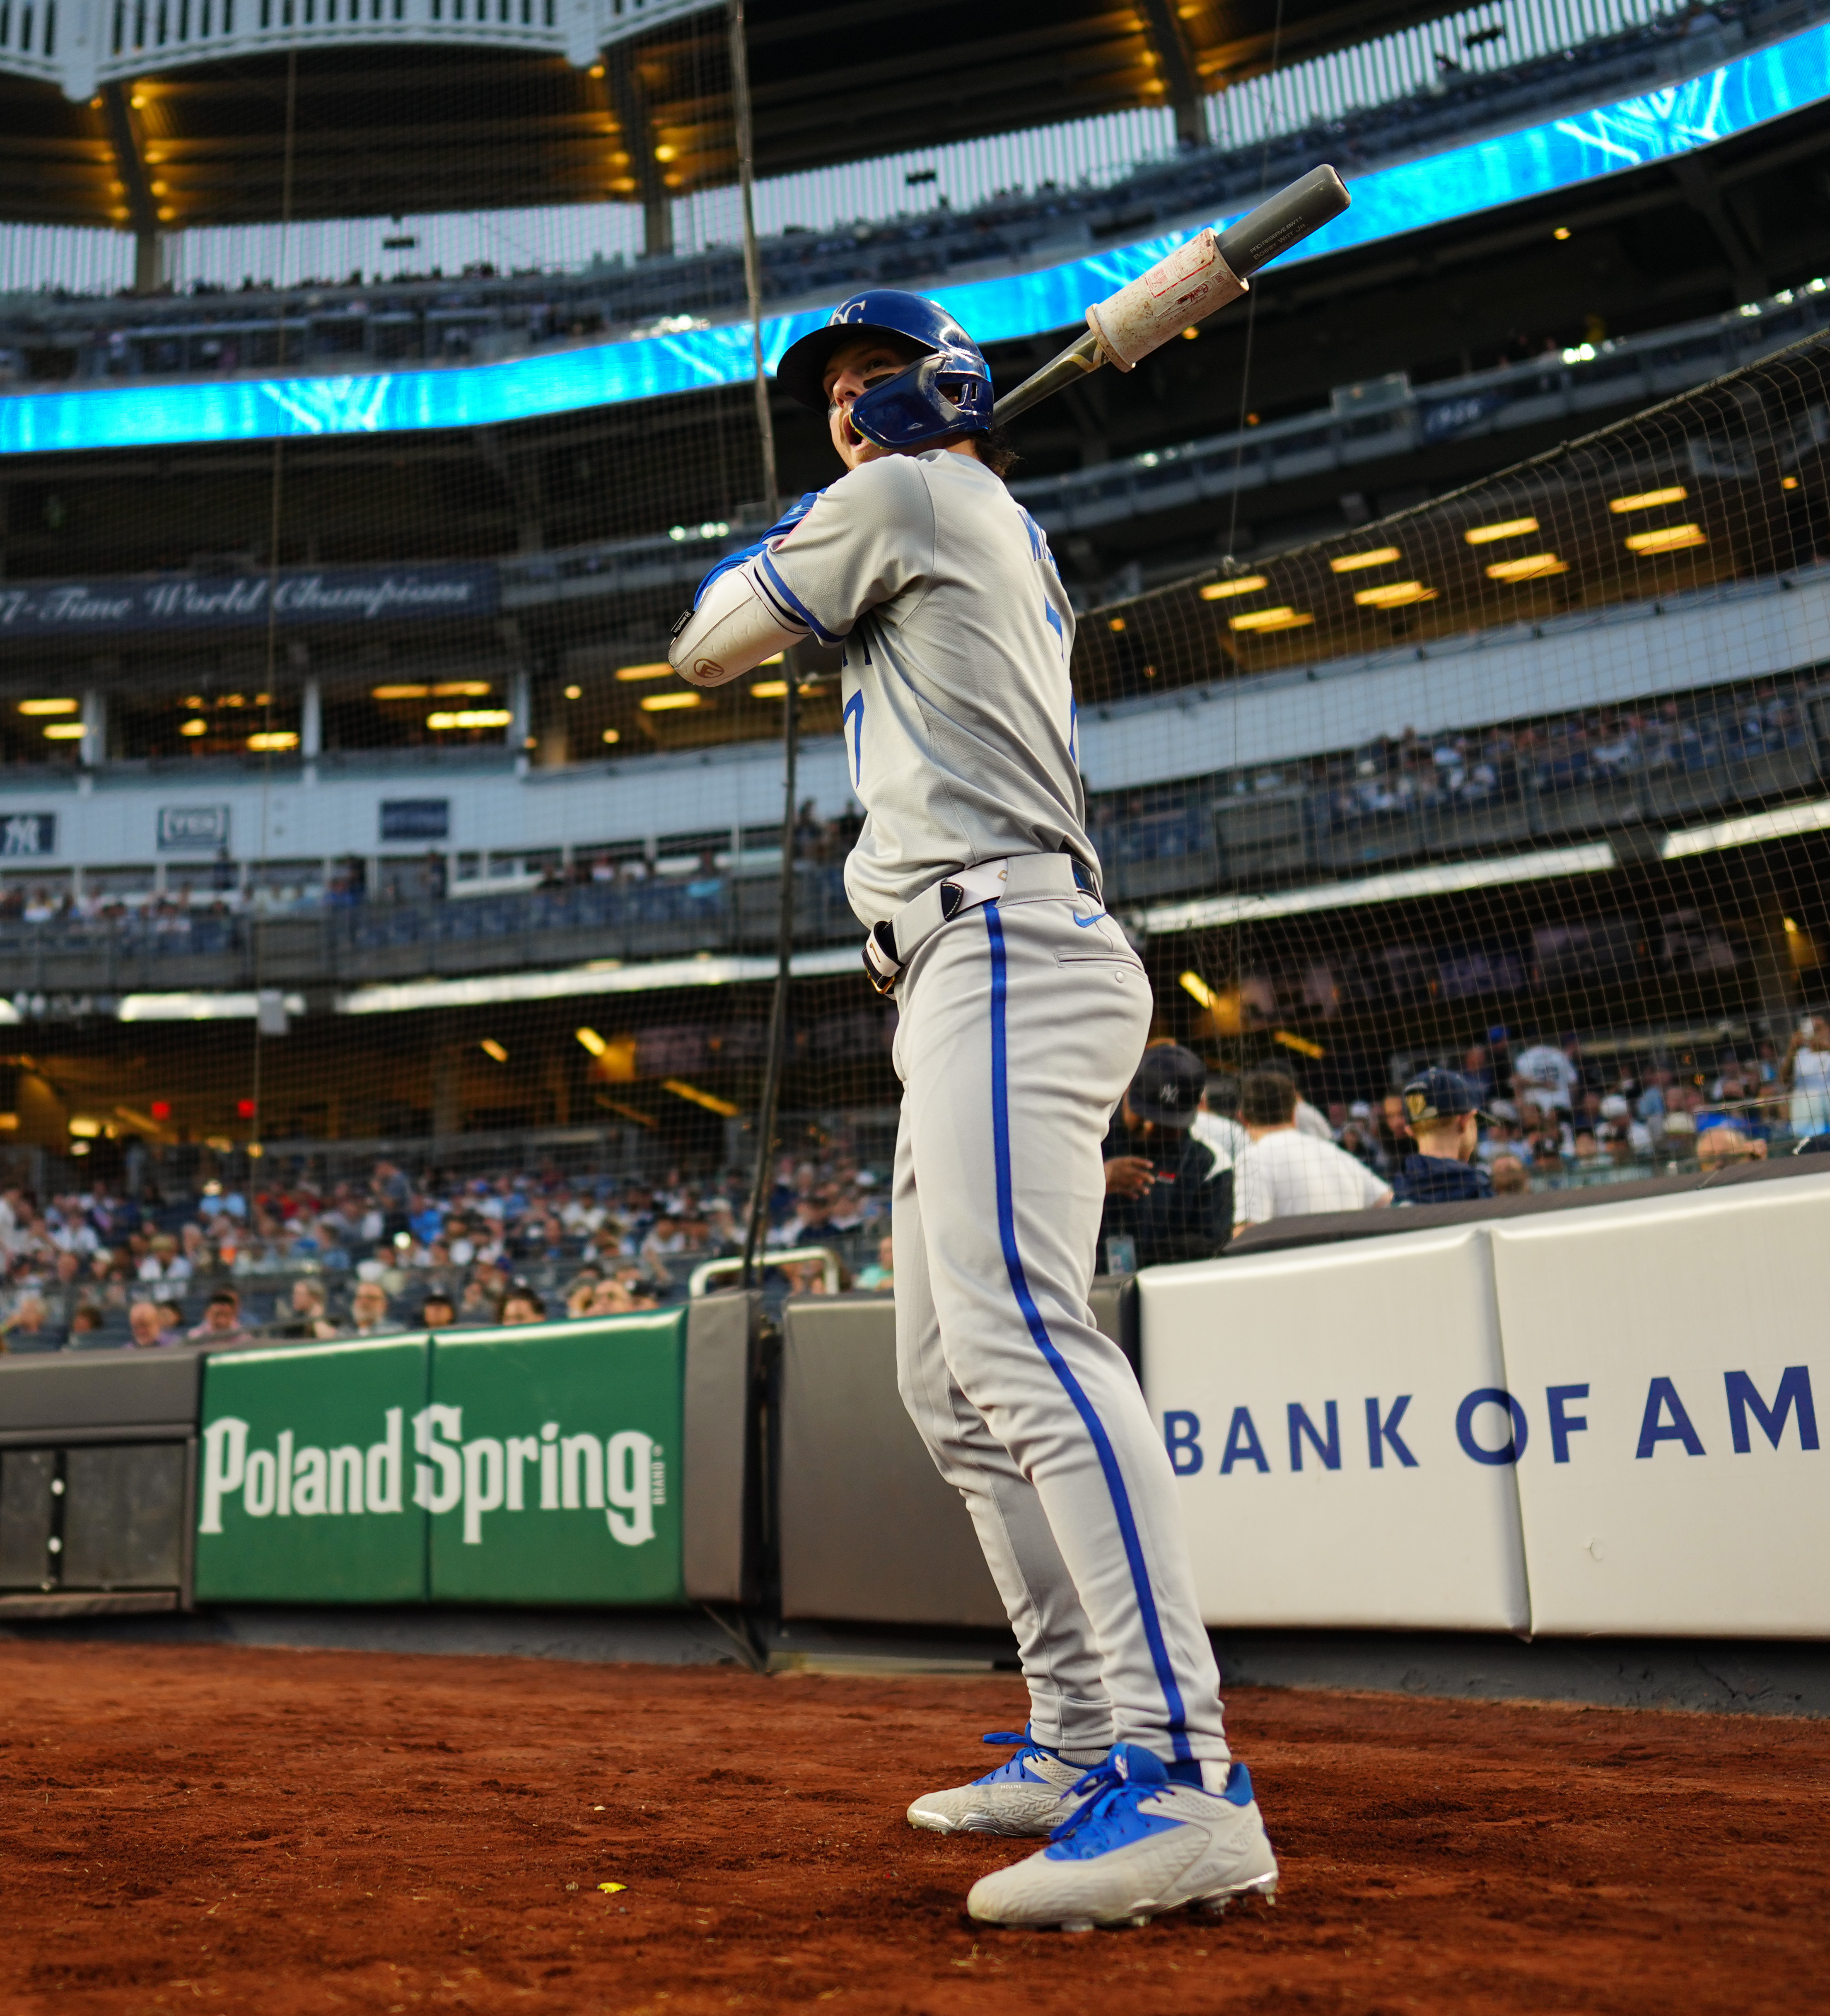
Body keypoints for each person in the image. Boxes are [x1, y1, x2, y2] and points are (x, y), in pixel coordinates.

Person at [667, 290, 1272, 1929]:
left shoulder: (922, 495)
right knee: (944, 1379)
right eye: (829, 396)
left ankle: (1183, 1767)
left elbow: (704, 635)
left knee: (1018, 1339)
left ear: (950, 390)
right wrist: (851, 484)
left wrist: (841, 492)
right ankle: (1083, 1736)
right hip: (953, 965)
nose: (848, 410)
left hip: (1003, 935)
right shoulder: (934, 504)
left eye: (876, 382)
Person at [1098, 1047, 1236, 1271]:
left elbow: (1213, 1248)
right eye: (1144, 1116)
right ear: (1127, 1093)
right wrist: (1100, 1179)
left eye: (1166, 1124)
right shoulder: (1091, 1138)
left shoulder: (1209, 1164)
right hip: (1084, 1289)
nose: (1150, 1128)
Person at [1231, 1067, 1391, 1231]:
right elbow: (1387, 1201)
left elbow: (1247, 1232)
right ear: (1294, 1114)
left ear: (1243, 1118)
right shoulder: (1334, 1152)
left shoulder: (1252, 1159)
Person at [1392, 1069, 1494, 1204]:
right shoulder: (1478, 1189)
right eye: (1476, 1123)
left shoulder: (1399, 1190)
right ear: (1464, 1122)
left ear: (1410, 1131)